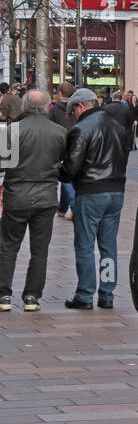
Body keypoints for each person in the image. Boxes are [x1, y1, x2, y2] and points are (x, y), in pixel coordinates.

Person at [60, 87, 129, 311]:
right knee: (109, 246)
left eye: (73, 111)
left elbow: (71, 168)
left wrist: (57, 172)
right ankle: (107, 294)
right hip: (116, 191)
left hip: (91, 192)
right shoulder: (118, 127)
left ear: (81, 106)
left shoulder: (81, 129)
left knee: (85, 245)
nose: (73, 116)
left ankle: (85, 294)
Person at [0, 90, 66, 313]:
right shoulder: (59, 133)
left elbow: (1, 164)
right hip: (46, 197)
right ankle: (31, 297)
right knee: (40, 250)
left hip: (16, 196)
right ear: (48, 106)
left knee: (8, 246)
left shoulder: (12, 131)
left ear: (25, 106)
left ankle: (3, 296)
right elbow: (66, 163)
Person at [48, 83, 78, 218]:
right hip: (76, 143)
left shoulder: (54, 109)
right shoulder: (76, 107)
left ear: (60, 94)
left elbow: (50, 127)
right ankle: (62, 208)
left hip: (60, 144)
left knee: (65, 179)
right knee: (68, 174)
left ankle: (73, 206)